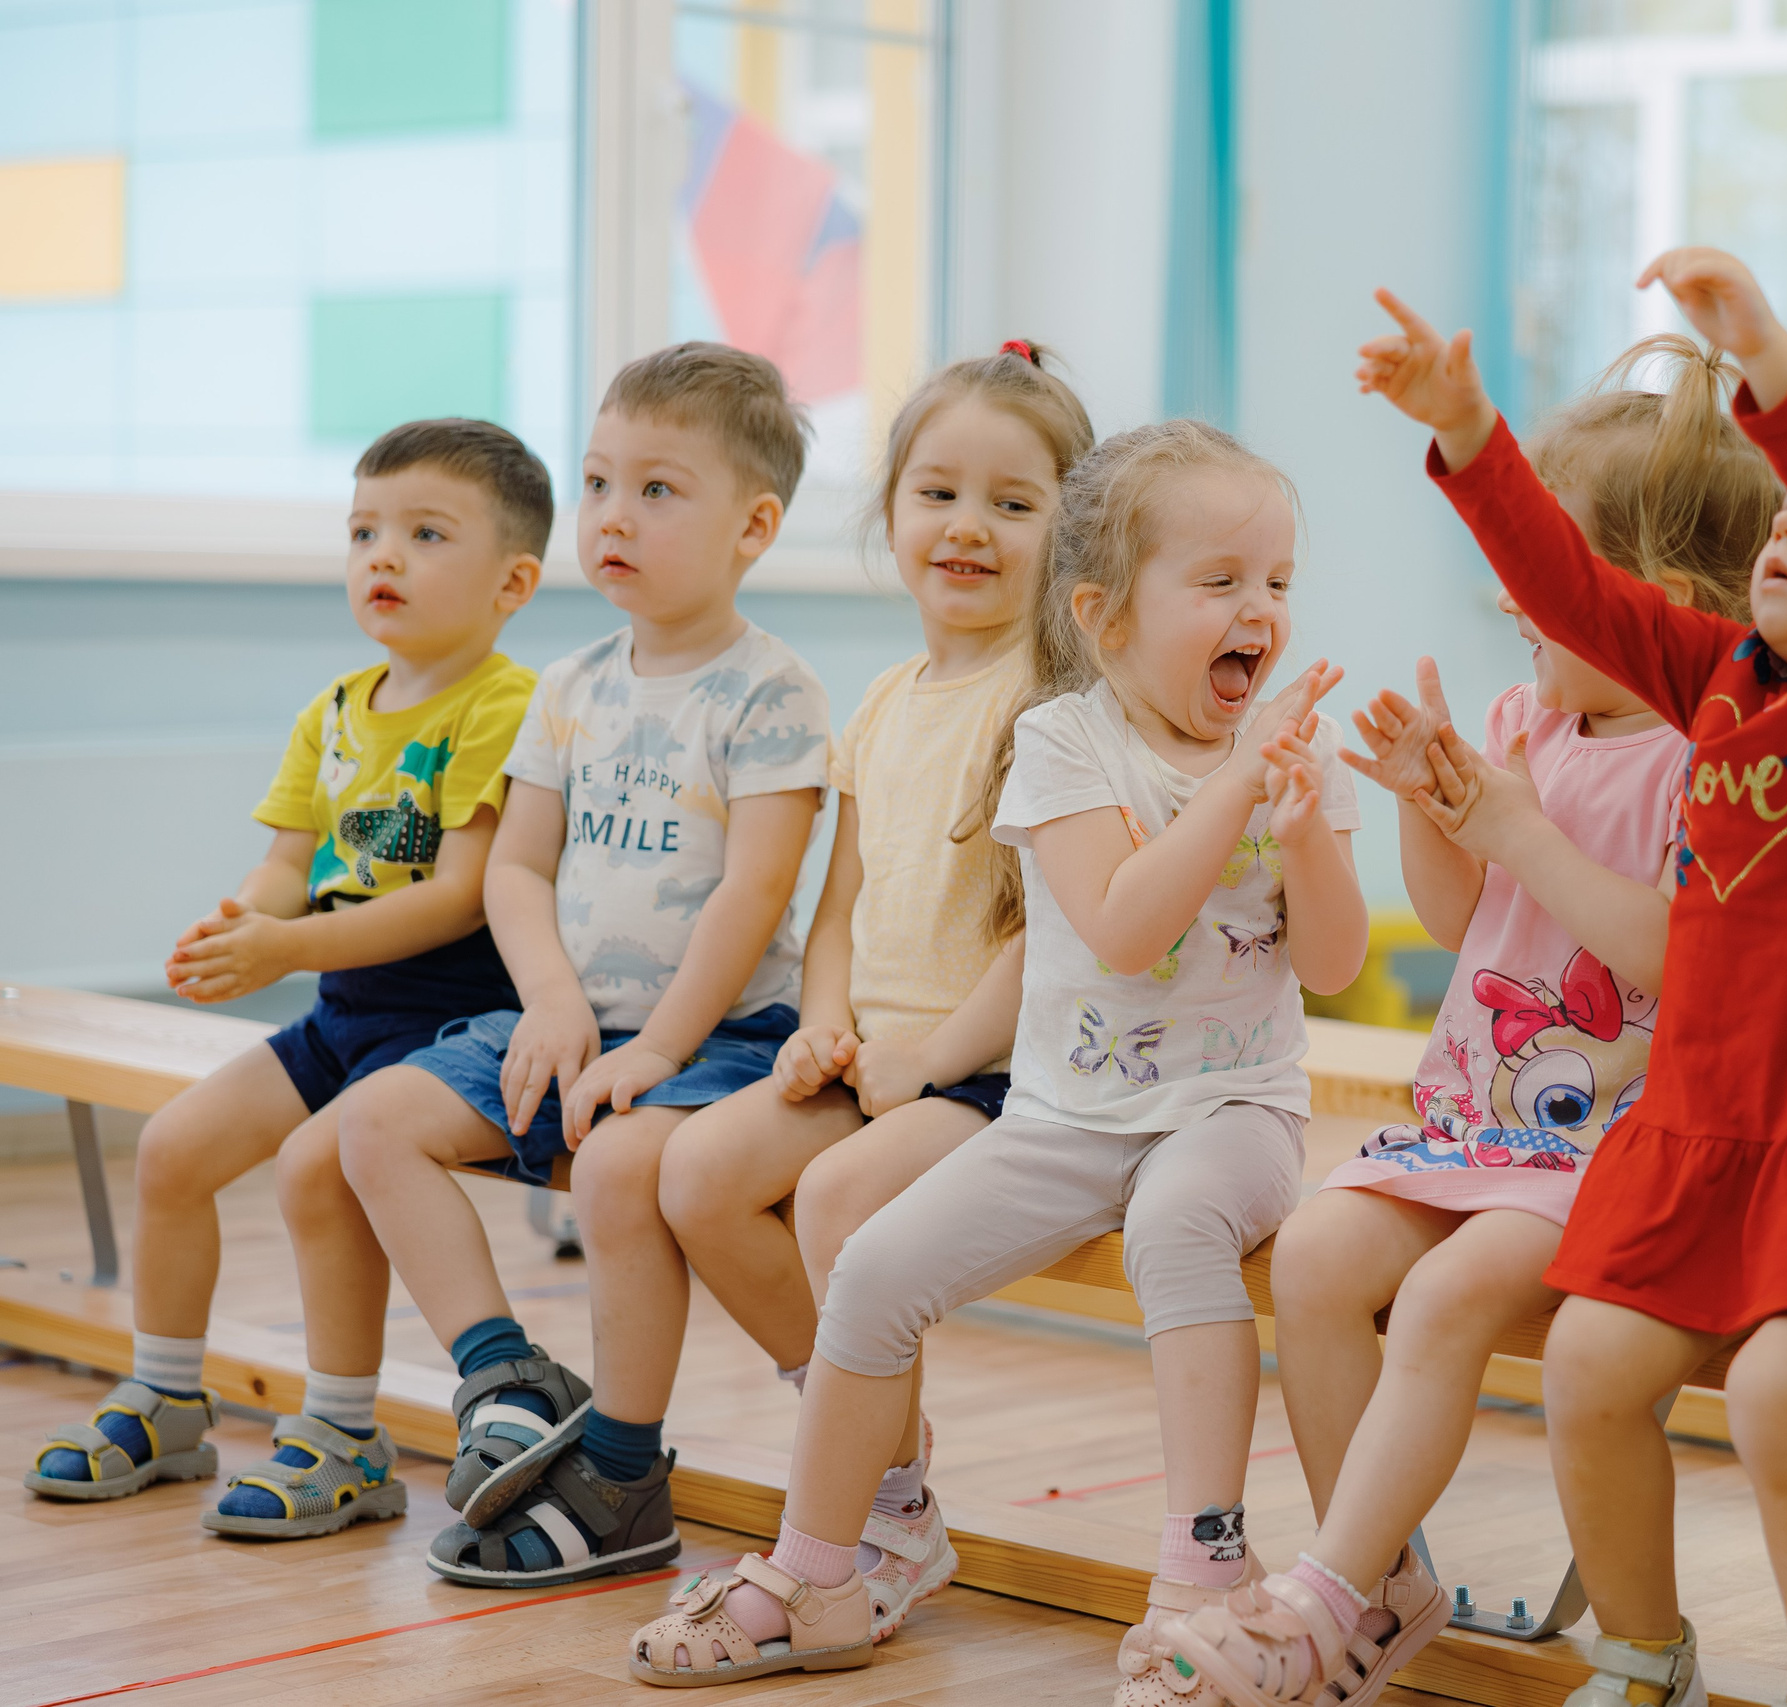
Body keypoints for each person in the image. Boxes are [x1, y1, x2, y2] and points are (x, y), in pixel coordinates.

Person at [1315, 250, 1787, 1707]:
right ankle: (1641, 1652)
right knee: (1593, 1364)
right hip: (1717, 1138)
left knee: (1779, 1396)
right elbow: (1570, 585)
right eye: (1783, 507)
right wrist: (1472, 436)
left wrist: (1776, 371)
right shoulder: (1722, 678)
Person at [624, 419, 1367, 1692]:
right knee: (868, 1271)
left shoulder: (1285, 759)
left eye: (1278, 583)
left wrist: (1300, 831)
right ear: (1106, 614)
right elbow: (1126, 929)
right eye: (1222, 583)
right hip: (1065, 1114)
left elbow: (1336, 964)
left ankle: (1205, 1574)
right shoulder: (1065, 742)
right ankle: (820, 1572)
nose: (1261, 610)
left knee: (1179, 1224)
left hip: (1231, 1111)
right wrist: (1243, 791)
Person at [1159, 335, 1781, 1706]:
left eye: (1543, 589)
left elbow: (1676, 954)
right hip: (1479, 1120)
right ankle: (1376, 1586)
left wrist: (1510, 820)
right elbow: (1460, 922)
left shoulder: (1723, 752)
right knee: (1318, 1252)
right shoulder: (1527, 719)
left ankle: (1317, 1593)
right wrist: (1432, 806)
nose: (1517, 610)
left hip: (1626, 1143)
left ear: (1652, 600)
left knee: (1441, 1293)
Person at [316, 343, 833, 1586]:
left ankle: (623, 1460)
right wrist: (552, 1000)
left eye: (658, 490)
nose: (612, 516)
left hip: (718, 1040)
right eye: (600, 483)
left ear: (753, 525)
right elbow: (515, 871)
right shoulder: (569, 687)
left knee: (615, 1167)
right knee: (375, 1124)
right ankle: (506, 1370)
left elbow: (754, 892)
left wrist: (655, 1049)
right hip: (570, 1024)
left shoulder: (771, 695)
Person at [25, 419, 546, 1541]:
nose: (382, 557)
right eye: (364, 531)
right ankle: (167, 1397)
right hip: (341, 1012)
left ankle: (346, 1436)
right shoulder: (337, 708)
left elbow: (456, 897)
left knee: (321, 1173)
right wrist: (235, 926)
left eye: (423, 532)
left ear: (513, 581)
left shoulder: (507, 707)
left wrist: (286, 945)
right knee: (173, 1149)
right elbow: (283, 866)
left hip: (451, 1022)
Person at [651, 339, 1092, 1637]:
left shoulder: (1056, 702)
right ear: (891, 512)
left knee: (838, 1194)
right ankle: (889, 1473)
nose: (970, 526)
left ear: (1072, 534)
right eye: (939, 493)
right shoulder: (889, 698)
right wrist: (827, 1019)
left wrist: (931, 1056)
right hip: (877, 1050)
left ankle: (855, 1516)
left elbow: (1054, 931)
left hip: (998, 1062)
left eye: (1016, 503)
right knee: (696, 1175)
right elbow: (837, 905)